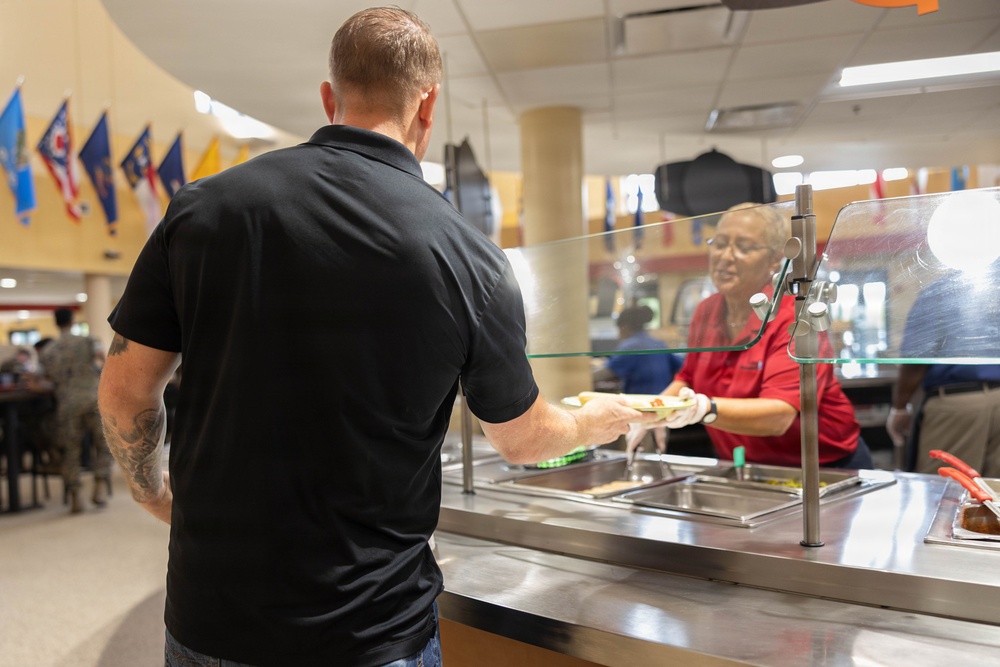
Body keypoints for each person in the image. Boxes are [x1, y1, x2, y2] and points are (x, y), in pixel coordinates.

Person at [97, 8, 653, 667]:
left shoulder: (203, 209)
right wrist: (593, 421)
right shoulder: (468, 255)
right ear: (429, 104)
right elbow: (522, 438)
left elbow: (126, 388)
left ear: (329, 97)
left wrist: (150, 488)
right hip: (368, 632)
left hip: (210, 620)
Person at [645, 203, 871, 469]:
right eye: (719, 243)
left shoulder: (795, 317)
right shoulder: (707, 311)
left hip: (823, 467)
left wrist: (703, 409)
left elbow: (778, 416)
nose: (726, 256)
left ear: (775, 259)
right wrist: (651, 414)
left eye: (744, 247)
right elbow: (688, 378)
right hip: (746, 464)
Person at [886, 263, 1000, 476]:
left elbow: (916, 356)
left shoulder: (941, 292)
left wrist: (900, 407)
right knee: (995, 496)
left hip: (958, 405)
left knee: (945, 494)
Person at [39, 308, 111, 512]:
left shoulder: (48, 350)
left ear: (55, 323)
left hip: (67, 403)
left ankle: (75, 497)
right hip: (93, 399)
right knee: (104, 444)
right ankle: (99, 485)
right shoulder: (88, 340)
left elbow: (41, 379)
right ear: (72, 320)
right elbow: (102, 358)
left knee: (70, 450)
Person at [594, 304, 682, 395]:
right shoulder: (659, 344)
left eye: (619, 329)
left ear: (625, 326)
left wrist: (586, 376)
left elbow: (608, 372)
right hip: (663, 399)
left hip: (640, 402)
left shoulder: (629, 346)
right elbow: (681, 366)